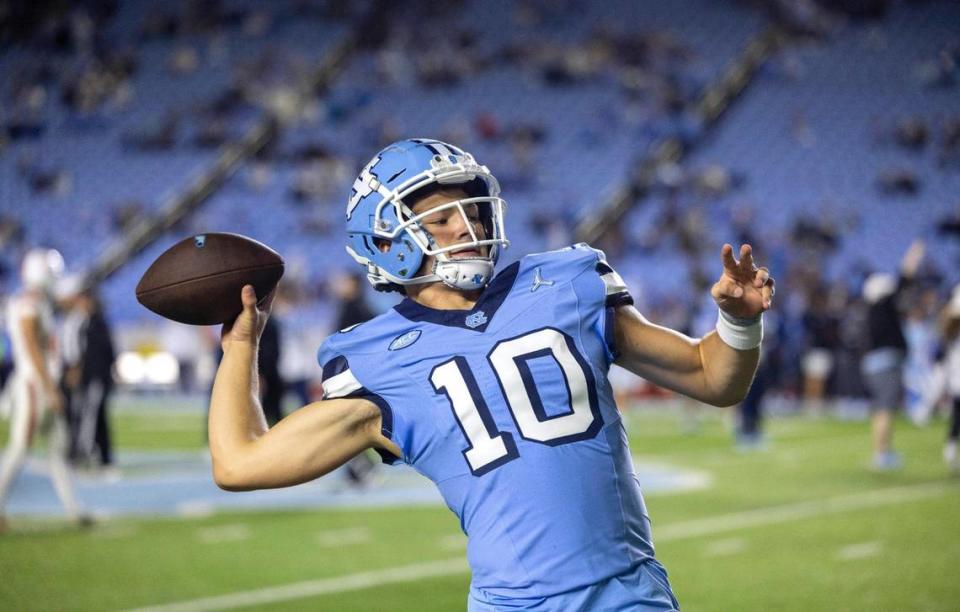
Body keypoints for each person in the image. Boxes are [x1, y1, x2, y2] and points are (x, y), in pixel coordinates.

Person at [208, 139, 775, 610]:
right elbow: (239, 463)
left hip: (626, 595)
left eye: (472, 209)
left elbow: (713, 378)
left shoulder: (564, 284)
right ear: (388, 243)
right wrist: (241, 344)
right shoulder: (374, 360)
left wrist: (737, 322)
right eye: (443, 216)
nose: (467, 224)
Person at [0, 249, 89, 532]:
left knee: (57, 451)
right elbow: (32, 350)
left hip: (40, 383)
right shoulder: (27, 304)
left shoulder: (37, 302)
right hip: (33, 386)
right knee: (19, 449)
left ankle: (74, 512)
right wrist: (50, 389)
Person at [860, 240, 924, 471]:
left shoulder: (871, 312)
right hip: (886, 363)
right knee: (886, 409)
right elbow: (904, 277)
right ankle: (882, 454)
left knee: (880, 409)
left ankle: (882, 451)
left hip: (874, 364)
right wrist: (914, 253)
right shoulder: (883, 306)